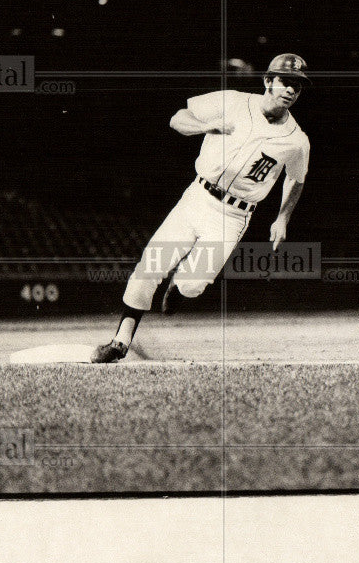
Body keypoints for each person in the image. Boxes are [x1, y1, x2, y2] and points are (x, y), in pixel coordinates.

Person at [91, 53, 312, 363]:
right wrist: (207, 125)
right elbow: (177, 119)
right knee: (151, 264)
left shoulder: (296, 140)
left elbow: (296, 179)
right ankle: (120, 341)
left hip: (233, 214)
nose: (291, 90)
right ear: (267, 81)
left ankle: (180, 290)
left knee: (193, 284)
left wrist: (282, 218)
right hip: (197, 197)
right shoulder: (232, 101)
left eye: (298, 87)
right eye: (285, 82)